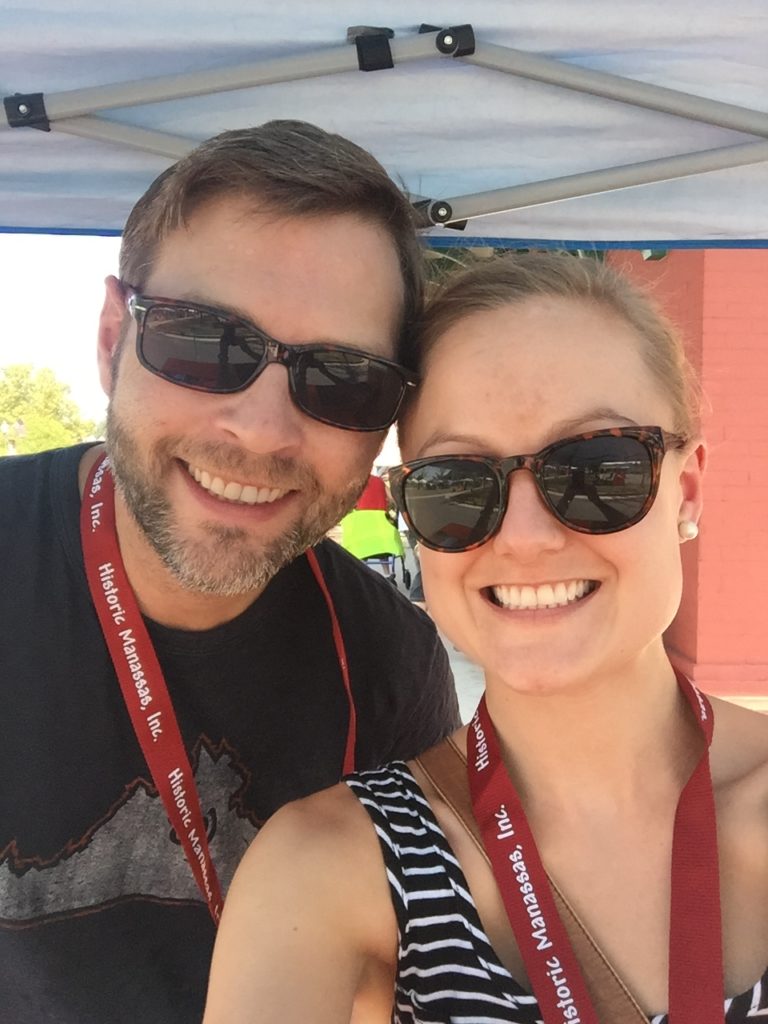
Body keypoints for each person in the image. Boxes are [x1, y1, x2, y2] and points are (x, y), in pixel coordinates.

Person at [203, 252, 768, 1023]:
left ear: (686, 493)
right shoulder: (327, 871)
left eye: (597, 467)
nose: (526, 538)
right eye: (455, 484)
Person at [0, 121, 460, 1024]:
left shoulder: (390, 661)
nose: (259, 430)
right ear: (109, 338)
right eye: (205, 342)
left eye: (343, 380)